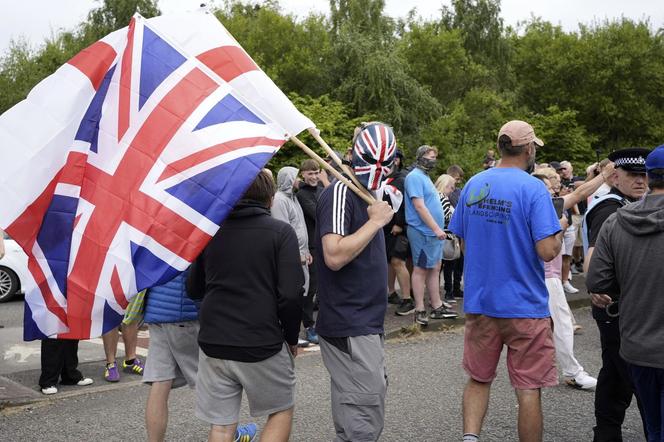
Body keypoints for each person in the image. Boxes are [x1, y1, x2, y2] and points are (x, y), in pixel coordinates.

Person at [449, 120, 564, 442]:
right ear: (528, 149)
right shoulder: (533, 188)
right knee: (528, 388)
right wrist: (558, 233)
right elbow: (546, 251)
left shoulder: (474, 183)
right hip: (523, 304)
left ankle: (470, 438)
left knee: (478, 379)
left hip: (481, 301)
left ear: (500, 147)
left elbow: (464, 242)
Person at [188, 170, 304, 442]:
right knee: (280, 411)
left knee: (221, 424)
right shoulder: (280, 232)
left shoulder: (211, 232)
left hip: (214, 338)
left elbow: (194, 288)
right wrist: (290, 337)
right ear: (270, 198)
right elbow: (290, 293)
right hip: (260, 338)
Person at [315, 121, 396, 441]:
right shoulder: (339, 191)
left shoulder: (367, 191)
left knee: (356, 408)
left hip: (365, 320)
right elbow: (333, 255)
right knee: (364, 411)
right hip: (350, 320)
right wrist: (376, 222)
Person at [587, 144, 664, 442]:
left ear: (650, 177)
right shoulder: (609, 212)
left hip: (637, 346)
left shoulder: (616, 221)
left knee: (654, 425)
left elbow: (597, 281)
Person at [532, 164, 616, 392]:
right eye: (548, 188)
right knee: (562, 325)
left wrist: (601, 177)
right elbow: (578, 195)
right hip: (546, 276)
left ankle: (543, 369)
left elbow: (580, 192)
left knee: (544, 326)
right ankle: (572, 372)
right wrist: (557, 228)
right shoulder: (542, 209)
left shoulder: (544, 205)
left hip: (545, 277)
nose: (552, 191)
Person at [405, 145, 458, 326]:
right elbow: (419, 206)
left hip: (433, 233)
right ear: (420, 157)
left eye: (435, 156)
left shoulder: (425, 177)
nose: (433, 159)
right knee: (420, 269)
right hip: (422, 231)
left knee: (435, 267)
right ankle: (419, 308)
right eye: (429, 156)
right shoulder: (413, 177)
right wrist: (436, 228)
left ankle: (436, 306)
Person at [272, 166, 312, 347]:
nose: (299, 180)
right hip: (292, 258)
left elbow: (300, 225)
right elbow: (284, 231)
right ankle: (290, 334)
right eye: (296, 177)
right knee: (293, 295)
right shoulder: (280, 200)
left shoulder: (294, 198)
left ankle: (293, 332)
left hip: (302, 255)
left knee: (302, 293)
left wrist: (306, 251)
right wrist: (296, 256)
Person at [383, 150, 415, 316]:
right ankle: (392, 293)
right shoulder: (385, 179)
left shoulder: (401, 180)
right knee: (391, 261)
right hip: (386, 227)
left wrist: (400, 224)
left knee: (398, 261)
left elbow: (404, 203)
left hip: (399, 229)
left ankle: (407, 299)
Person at [295, 159, 323, 344]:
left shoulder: (321, 190)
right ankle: (308, 326)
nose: (313, 177)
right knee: (310, 287)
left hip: (324, 243)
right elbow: (318, 214)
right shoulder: (302, 194)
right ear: (303, 175)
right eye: (309, 173)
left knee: (322, 286)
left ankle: (322, 323)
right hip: (310, 246)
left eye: (316, 173)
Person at [434, 174, 457, 304]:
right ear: (446, 186)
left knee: (437, 269)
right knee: (441, 268)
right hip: (444, 236)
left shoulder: (433, 196)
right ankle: (437, 298)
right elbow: (447, 217)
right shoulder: (443, 198)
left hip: (436, 235)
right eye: (452, 187)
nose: (452, 190)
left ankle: (436, 296)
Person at [445, 165, 465, 299]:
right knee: (449, 262)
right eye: (456, 179)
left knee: (460, 262)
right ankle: (448, 290)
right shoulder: (446, 193)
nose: (457, 182)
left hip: (461, 231)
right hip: (450, 231)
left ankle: (457, 288)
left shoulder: (460, 191)